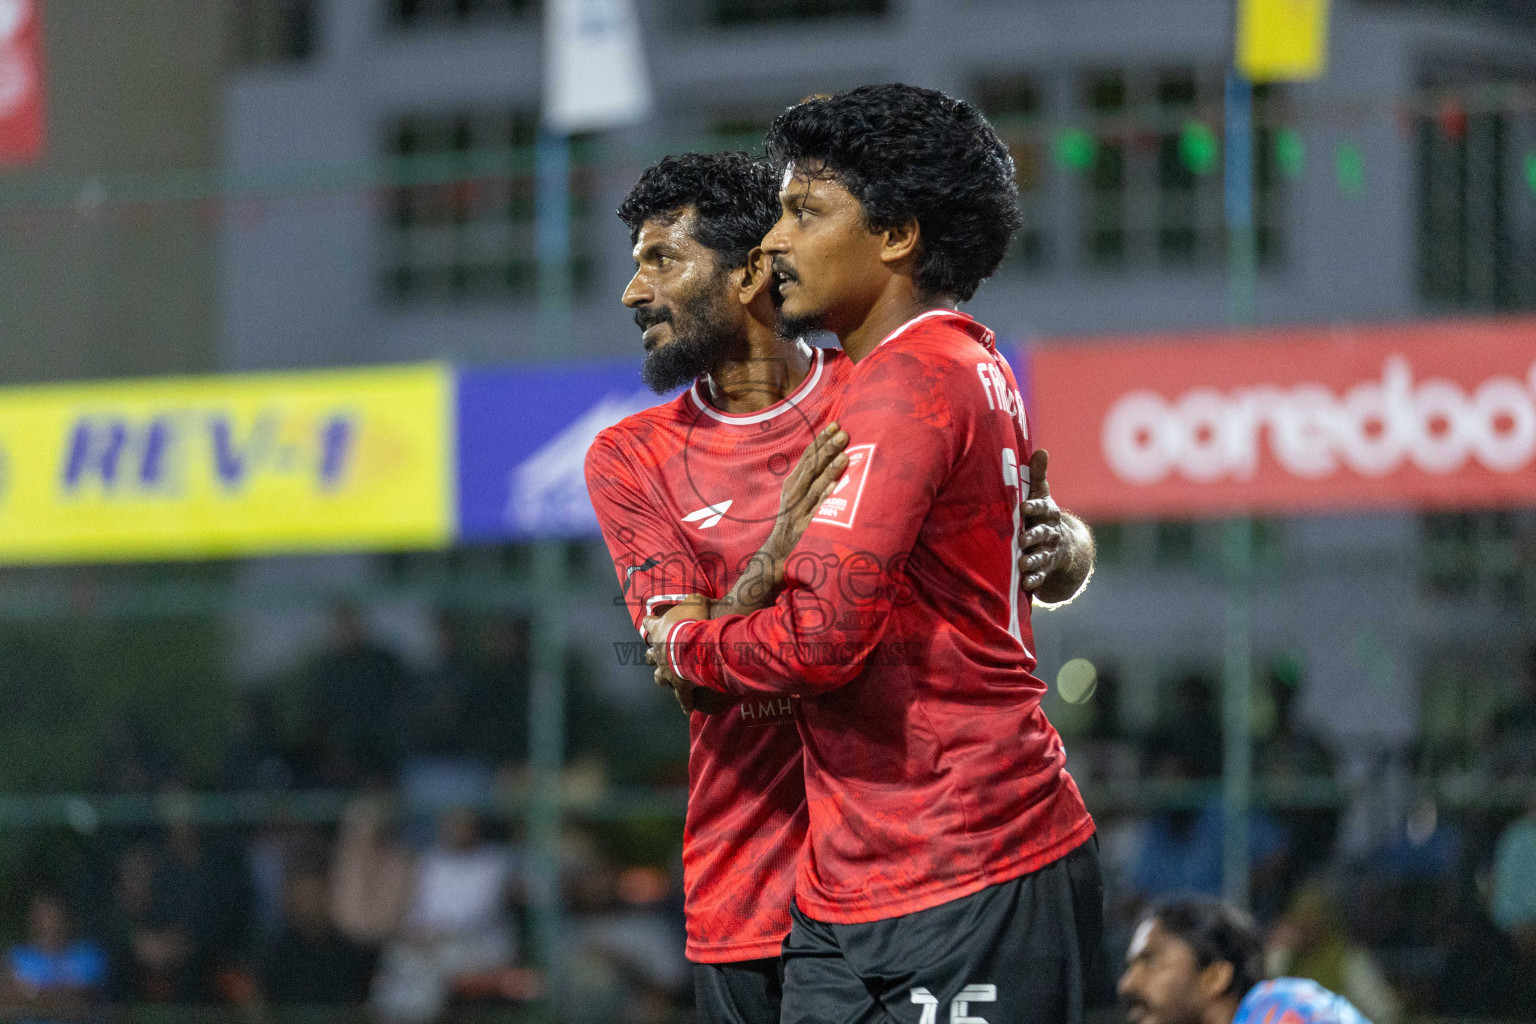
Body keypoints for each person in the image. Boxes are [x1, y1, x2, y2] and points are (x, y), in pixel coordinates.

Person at [588, 150, 1095, 1024]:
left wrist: (1068, 547)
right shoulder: (631, 455)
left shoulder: (890, 388)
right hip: (750, 892)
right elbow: (682, 664)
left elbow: (1021, 532)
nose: (635, 293)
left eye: (661, 259)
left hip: (928, 868)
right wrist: (776, 551)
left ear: (753, 269)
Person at [1119, 898, 1374, 1024]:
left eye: (1151, 962)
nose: (1126, 984)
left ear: (1214, 977)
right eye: (1130, 967)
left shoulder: (1283, 1007)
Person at [1, 892, 107, 1024]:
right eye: (42, 916)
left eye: (52, 915)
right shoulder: (18, 957)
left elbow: (79, 1002)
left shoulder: (87, 955)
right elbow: (6, 1002)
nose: (48, 922)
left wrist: (29, 995)